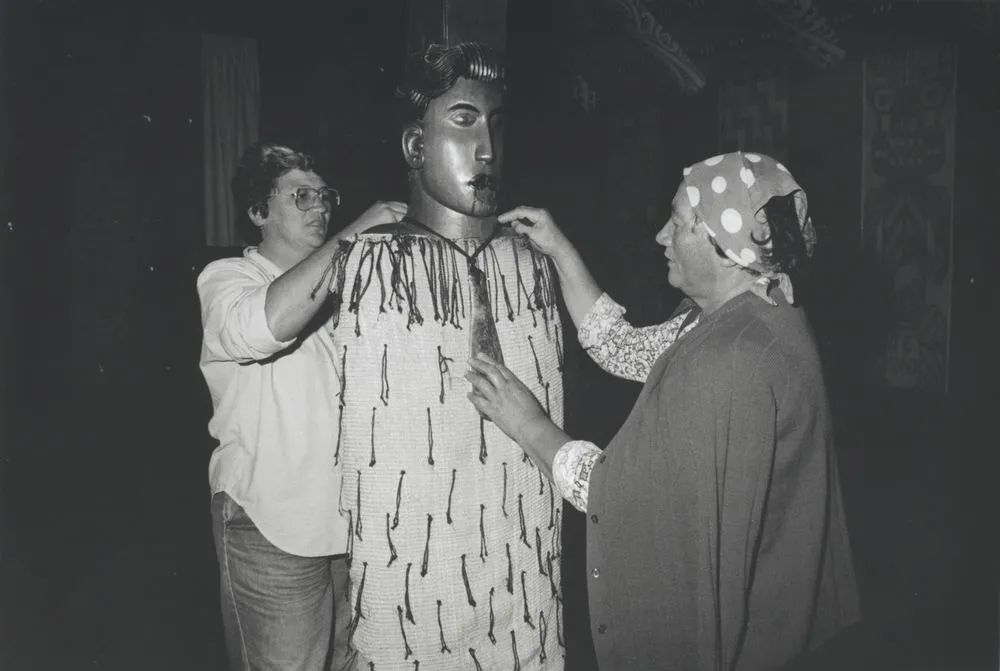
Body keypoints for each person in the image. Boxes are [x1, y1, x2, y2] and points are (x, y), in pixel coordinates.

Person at [466, 151, 860, 670]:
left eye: (677, 223)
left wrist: (524, 420)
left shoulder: (729, 360)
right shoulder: (751, 309)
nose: (660, 236)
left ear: (723, 246)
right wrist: (558, 248)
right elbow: (621, 347)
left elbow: (614, 495)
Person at [319, 43, 566, 669]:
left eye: (497, 127)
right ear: (414, 147)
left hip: (523, 582)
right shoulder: (375, 264)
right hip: (415, 590)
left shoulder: (531, 265)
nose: (486, 149)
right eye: (463, 122)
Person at [197, 142, 407, 671]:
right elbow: (263, 328)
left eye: (326, 196)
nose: (321, 207)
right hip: (270, 531)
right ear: (257, 213)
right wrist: (354, 234)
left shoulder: (341, 296)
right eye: (301, 196)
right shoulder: (229, 279)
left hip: (346, 534)